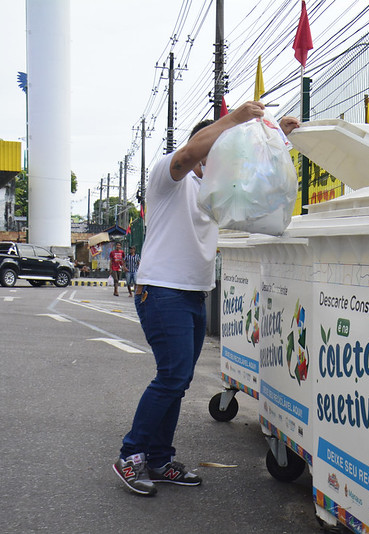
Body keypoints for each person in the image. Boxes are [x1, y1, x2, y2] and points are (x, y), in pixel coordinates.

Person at [112, 101, 300, 496]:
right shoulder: (170, 176)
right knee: (172, 377)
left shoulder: (217, 187)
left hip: (194, 295)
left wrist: (279, 136)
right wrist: (234, 120)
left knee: (177, 382)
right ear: (208, 146)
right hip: (162, 290)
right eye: (219, 149)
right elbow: (188, 154)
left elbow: (259, 178)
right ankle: (131, 455)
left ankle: (159, 460)